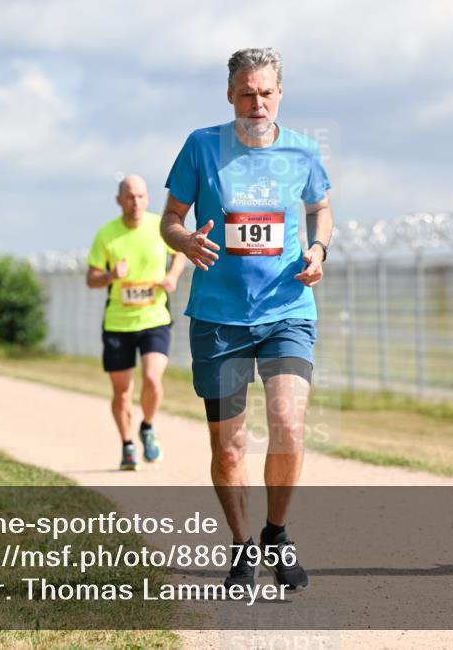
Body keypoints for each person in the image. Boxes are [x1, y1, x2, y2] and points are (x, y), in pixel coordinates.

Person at [160, 47, 332, 591]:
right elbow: (169, 219)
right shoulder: (201, 146)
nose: (256, 103)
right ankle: (241, 546)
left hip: (286, 310)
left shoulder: (303, 151)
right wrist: (183, 240)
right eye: (245, 93)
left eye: (265, 92)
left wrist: (318, 249)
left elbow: (319, 208)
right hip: (219, 319)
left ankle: (277, 533)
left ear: (280, 93)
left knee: (287, 424)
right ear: (230, 95)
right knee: (229, 446)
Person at [87, 175, 187, 471]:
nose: (136, 202)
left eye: (142, 196)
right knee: (122, 393)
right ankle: (128, 445)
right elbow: (91, 279)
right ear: (119, 200)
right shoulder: (106, 234)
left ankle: (147, 425)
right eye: (130, 196)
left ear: (148, 198)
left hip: (155, 318)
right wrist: (109, 276)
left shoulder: (159, 227)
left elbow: (179, 253)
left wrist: (172, 277)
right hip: (118, 322)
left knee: (153, 379)